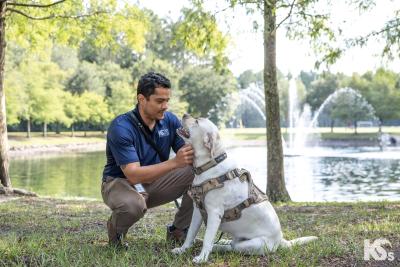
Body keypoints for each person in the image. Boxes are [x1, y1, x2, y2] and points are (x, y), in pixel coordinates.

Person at [101, 72, 195, 248]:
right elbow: (133, 175)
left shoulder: (170, 121)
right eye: (160, 101)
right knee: (133, 206)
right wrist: (175, 162)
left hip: (154, 182)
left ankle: (178, 231)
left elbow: (187, 154)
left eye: (167, 100)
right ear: (141, 99)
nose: (165, 106)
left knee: (199, 174)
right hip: (120, 182)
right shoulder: (121, 127)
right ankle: (116, 233)